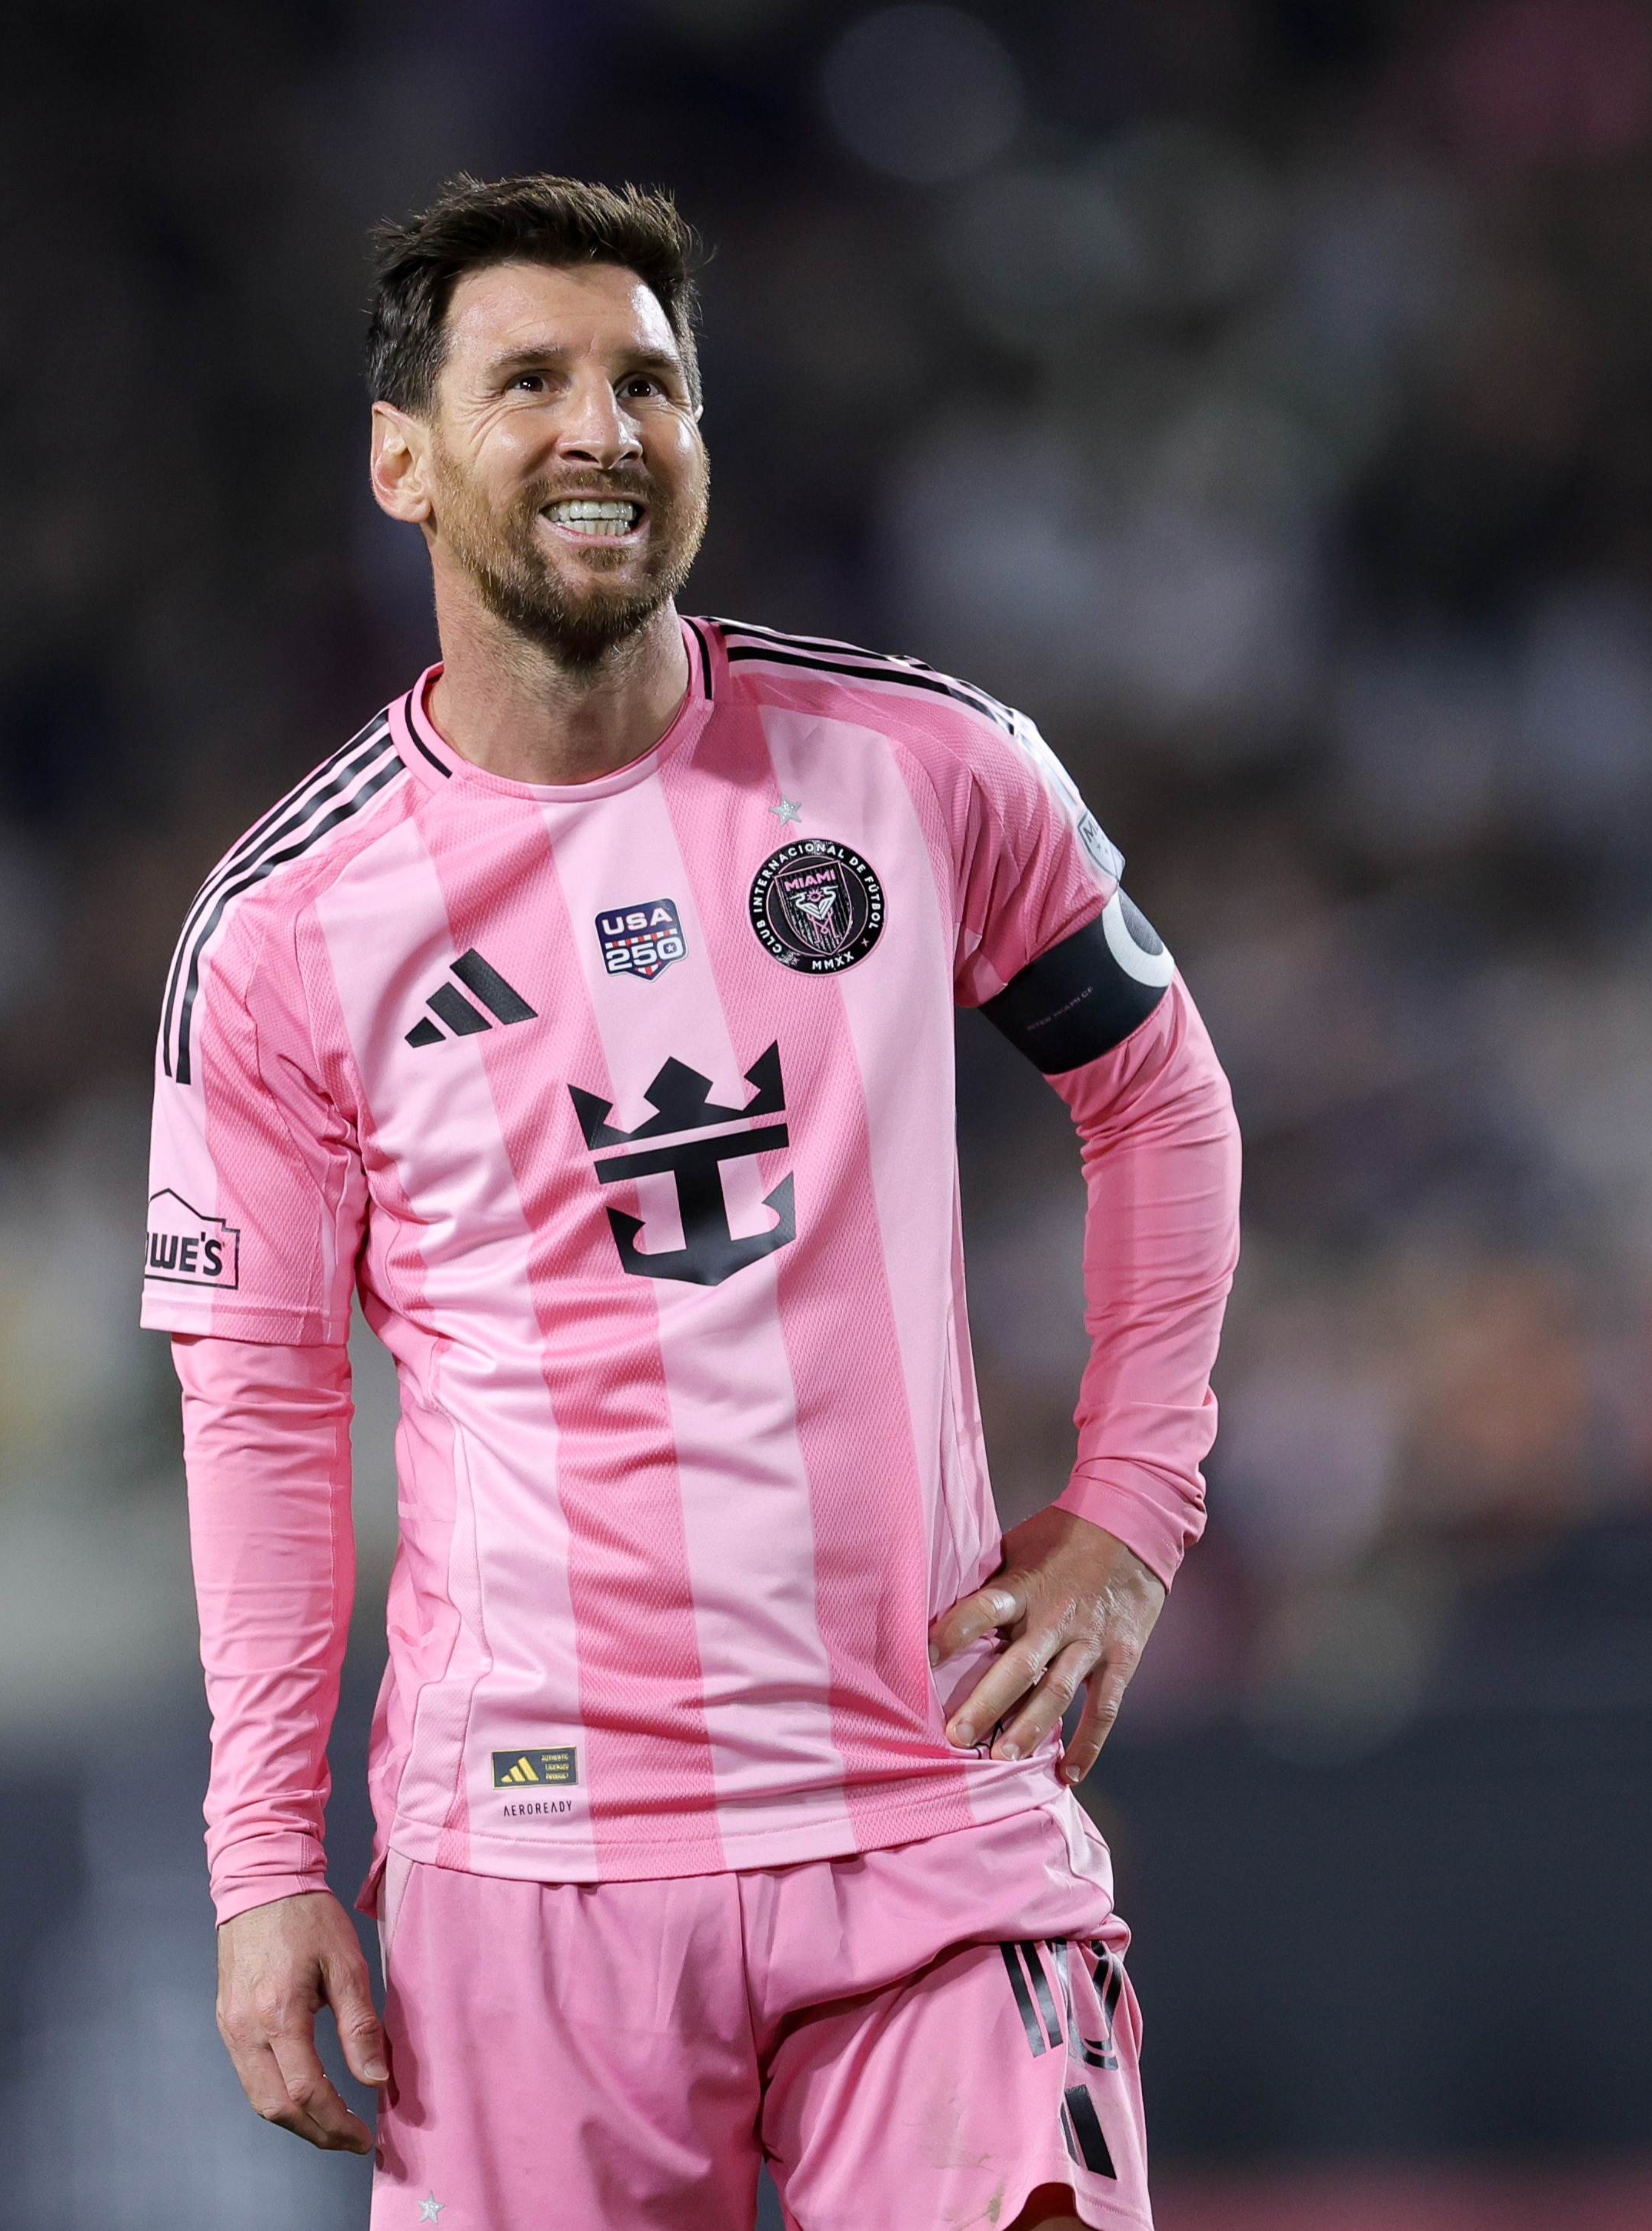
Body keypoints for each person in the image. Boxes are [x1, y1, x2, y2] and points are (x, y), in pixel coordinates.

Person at [142, 174, 1240, 2231]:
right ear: (402, 460)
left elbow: (1162, 1098)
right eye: (530, 381)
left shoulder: (921, 769)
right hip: (532, 1862)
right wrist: (263, 1857)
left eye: (649, 383)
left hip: (926, 1799)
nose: (603, 428)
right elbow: (265, 1411)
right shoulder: (289, 928)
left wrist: (1130, 1512)